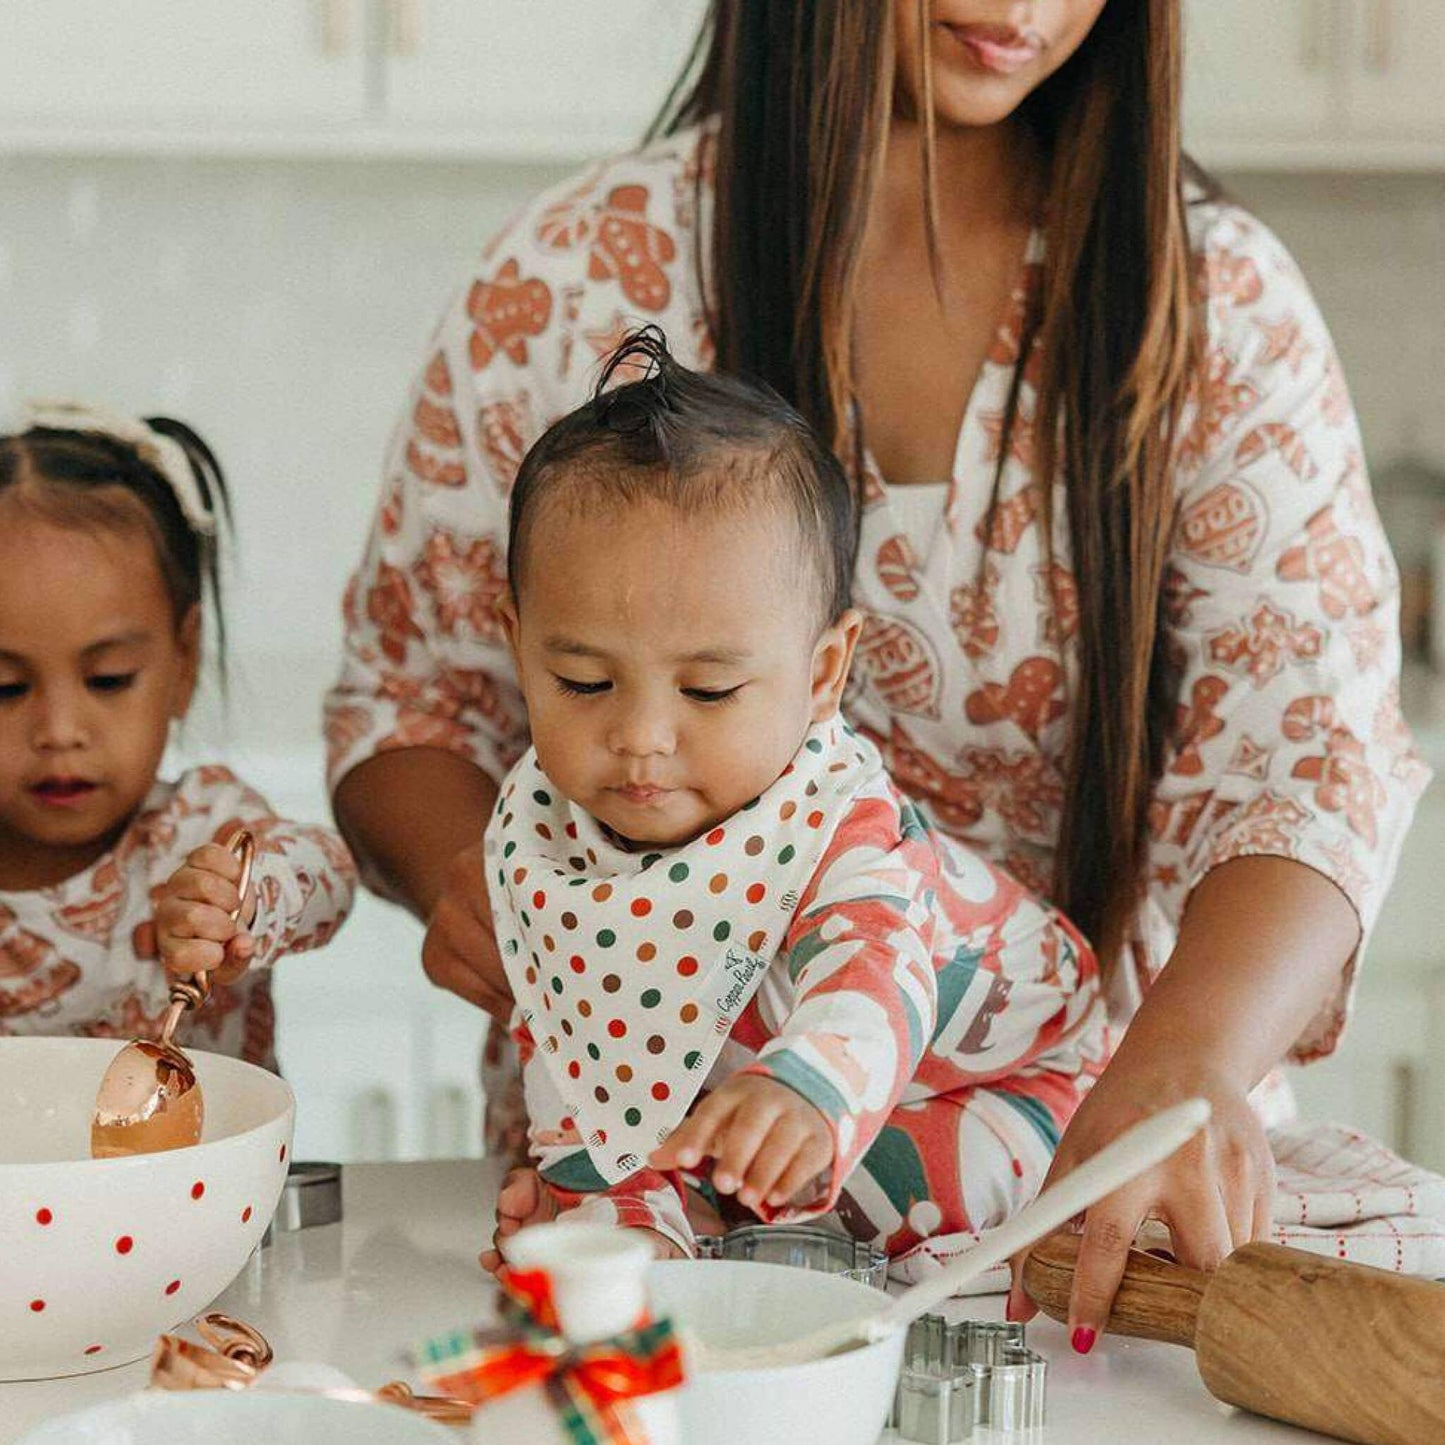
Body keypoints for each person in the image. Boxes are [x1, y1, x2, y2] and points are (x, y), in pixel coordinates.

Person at [327, 0, 1426, 1350]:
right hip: (658, 1217)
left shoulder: (1213, 303)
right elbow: (407, 701)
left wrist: (1183, 1066)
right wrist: (485, 887)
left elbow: (1308, 756)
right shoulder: (575, 273)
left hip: (1085, 1197)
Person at [474, 329, 1103, 1270]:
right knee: (606, 1210)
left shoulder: (842, 824)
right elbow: (578, 1068)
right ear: (518, 642)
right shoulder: (543, 846)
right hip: (800, 1107)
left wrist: (809, 1084)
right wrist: (603, 1226)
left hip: (1016, 1081)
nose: (642, 735)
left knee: (880, 1199)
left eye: (709, 691)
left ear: (821, 675)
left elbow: (872, 979)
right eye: (582, 681)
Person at [1, 404, 356, 1065]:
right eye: (6, 689)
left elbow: (331, 874)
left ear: (183, 660)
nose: (59, 731)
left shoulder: (199, 827)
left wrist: (240, 905)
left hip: (205, 1173)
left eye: (107, 678)